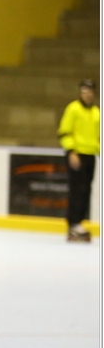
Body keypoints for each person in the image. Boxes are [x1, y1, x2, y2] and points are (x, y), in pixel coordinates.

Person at [57, 79, 100, 242]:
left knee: (86, 190)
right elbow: (64, 131)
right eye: (84, 91)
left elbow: (98, 137)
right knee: (77, 190)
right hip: (77, 155)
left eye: (90, 91)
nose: (87, 94)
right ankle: (73, 223)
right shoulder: (73, 109)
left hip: (90, 155)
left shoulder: (96, 113)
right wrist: (71, 151)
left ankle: (79, 222)